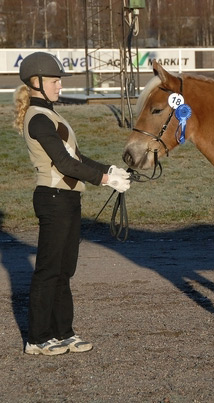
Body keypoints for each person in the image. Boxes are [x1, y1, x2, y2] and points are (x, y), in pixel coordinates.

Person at [13, 52, 131, 356]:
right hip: (53, 198)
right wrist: (104, 181)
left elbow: (77, 158)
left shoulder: (53, 116)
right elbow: (64, 163)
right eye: (54, 81)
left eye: (58, 81)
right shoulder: (38, 119)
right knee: (49, 270)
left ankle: (63, 332)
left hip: (68, 199)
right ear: (36, 83)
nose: (59, 86)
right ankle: (38, 339)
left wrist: (110, 170)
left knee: (65, 269)